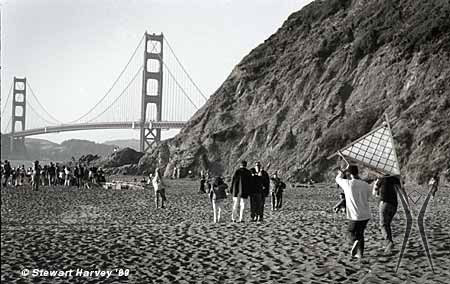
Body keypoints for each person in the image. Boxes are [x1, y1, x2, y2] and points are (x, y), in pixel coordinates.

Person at [336, 165, 371, 259]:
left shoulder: (347, 183)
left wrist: (343, 171)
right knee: (360, 234)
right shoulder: (365, 185)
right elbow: (368, 196)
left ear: (349, 173)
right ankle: (360, 254)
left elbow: (338, 178)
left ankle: (355, 241)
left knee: (350, 232)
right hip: (366, 214)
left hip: (355, 215)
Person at [373, 175, 402, 253]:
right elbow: (402, 191)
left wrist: (376, 184)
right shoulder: (395, 179)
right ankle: (389, 244)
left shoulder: (381, 179)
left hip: (384, 203)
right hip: (394, 205)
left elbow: (375, 193)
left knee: (383, 224)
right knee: (387, 224)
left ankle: (389, 242)